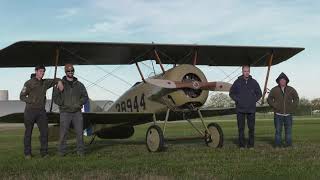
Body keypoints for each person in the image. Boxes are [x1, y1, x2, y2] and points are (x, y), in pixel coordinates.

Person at [20, 65, 63, 159]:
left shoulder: (45, 82)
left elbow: (55, 79)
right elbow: (22, 96)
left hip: (41, 112)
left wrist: (59, 81)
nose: (42, 73)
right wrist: (31, 100)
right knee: (28, 133)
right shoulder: (28, 83)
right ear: (36, 71)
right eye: (40, 71)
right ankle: (27, 153)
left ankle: (44, 153)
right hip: (30, 111)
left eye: (43, 72)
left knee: (44, 132)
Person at [53, 64, 88, 156]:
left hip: (77, 112)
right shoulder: (60, 84)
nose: (70, 72)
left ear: (73, 71)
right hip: (65, 112)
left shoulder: (80, 85)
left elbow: (85, 97)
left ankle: (80, 152)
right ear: (65, 72)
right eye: (68, 71)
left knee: (80, 133)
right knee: (63, 133)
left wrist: (79, 103)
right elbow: (55, 97)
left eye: (72, 70)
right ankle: (61, 152)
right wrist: (63, 103)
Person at [229, 65, 262, 149]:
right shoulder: (237, 82)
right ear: (242, 72)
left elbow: (259, 93)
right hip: (240, 109)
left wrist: (253, 100)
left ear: (249, 72)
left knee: (251, 129)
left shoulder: (254, 82)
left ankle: (251, 145)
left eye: (248, 71)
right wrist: (238, 100)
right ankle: (241, 145)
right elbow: (231, 93)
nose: (246, 73)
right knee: (241, 129)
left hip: (251, 109)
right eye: (245, 71)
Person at [267, 73, 299, 148]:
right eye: (281, 80)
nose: (282, 81)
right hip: (278, 114)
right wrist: (274, 105)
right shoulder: (274, 89)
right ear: (278, 81)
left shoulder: (291, 89)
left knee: (288, 131)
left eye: (284, 80)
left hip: (288, 114)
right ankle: (277, 145)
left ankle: (288, 145)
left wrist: (292, 107)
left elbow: (296, 98)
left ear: (286, 81)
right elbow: (269, 99)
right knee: (278, 131)